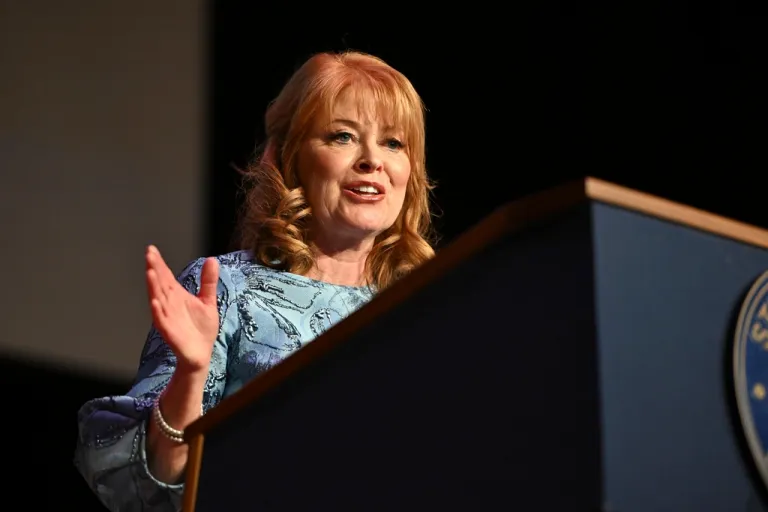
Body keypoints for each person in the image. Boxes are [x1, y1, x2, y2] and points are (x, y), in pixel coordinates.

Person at [73, 50, 436, 511]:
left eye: (394, 143)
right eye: (342, 136)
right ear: (290, 157)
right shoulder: (225, 289)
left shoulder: (429, 308)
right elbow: (151, 486)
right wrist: (191, 373)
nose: (372, 160)